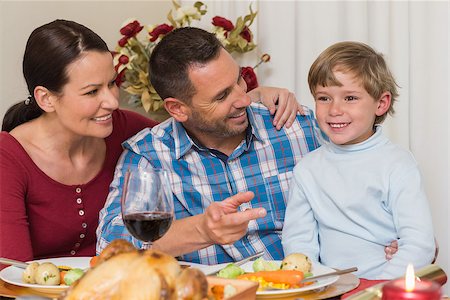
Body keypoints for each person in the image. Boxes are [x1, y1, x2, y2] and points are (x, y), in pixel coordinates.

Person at [0, 20, 301, 265]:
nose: (112, 101)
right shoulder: (8, 157)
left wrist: (248, 100)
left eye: (112, 84)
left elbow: (192, 125)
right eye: (92, 92)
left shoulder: (126, 129)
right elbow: (10, 273)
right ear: (46, 98)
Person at [96, 27, 323, 264]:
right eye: (222, 96)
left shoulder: (296, 126)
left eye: (239, 80)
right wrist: (203, 230)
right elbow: (111, 249)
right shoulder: (150, 157)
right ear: (177, 109)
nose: (244, 99)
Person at [282, 41, 435, 279]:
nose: (334, 110)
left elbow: (419, 244)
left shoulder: (397, 164)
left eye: (350, 98)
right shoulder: (307, 169)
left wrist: (379, 290)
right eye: (324, 98)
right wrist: (314, 285)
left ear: (381, 104)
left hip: (386, 287)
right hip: (329, 289)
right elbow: (299, 243)